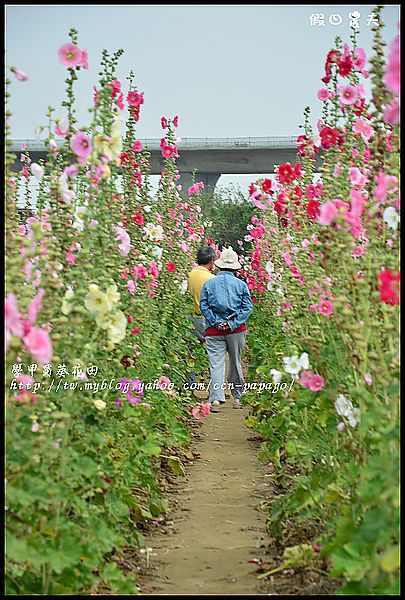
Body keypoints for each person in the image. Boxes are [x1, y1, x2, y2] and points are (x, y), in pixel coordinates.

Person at [199, 246, 253, 412]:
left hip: (214, 331)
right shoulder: (241, 285)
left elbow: (204, 305)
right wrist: (232, 324)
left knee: (216, 364)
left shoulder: (209, 283)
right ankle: (237, 397)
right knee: (236, 363)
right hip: (236, 331)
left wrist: (216, 322)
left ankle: (215, 400)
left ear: (219, 265)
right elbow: (247, 307)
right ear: (235, 267)